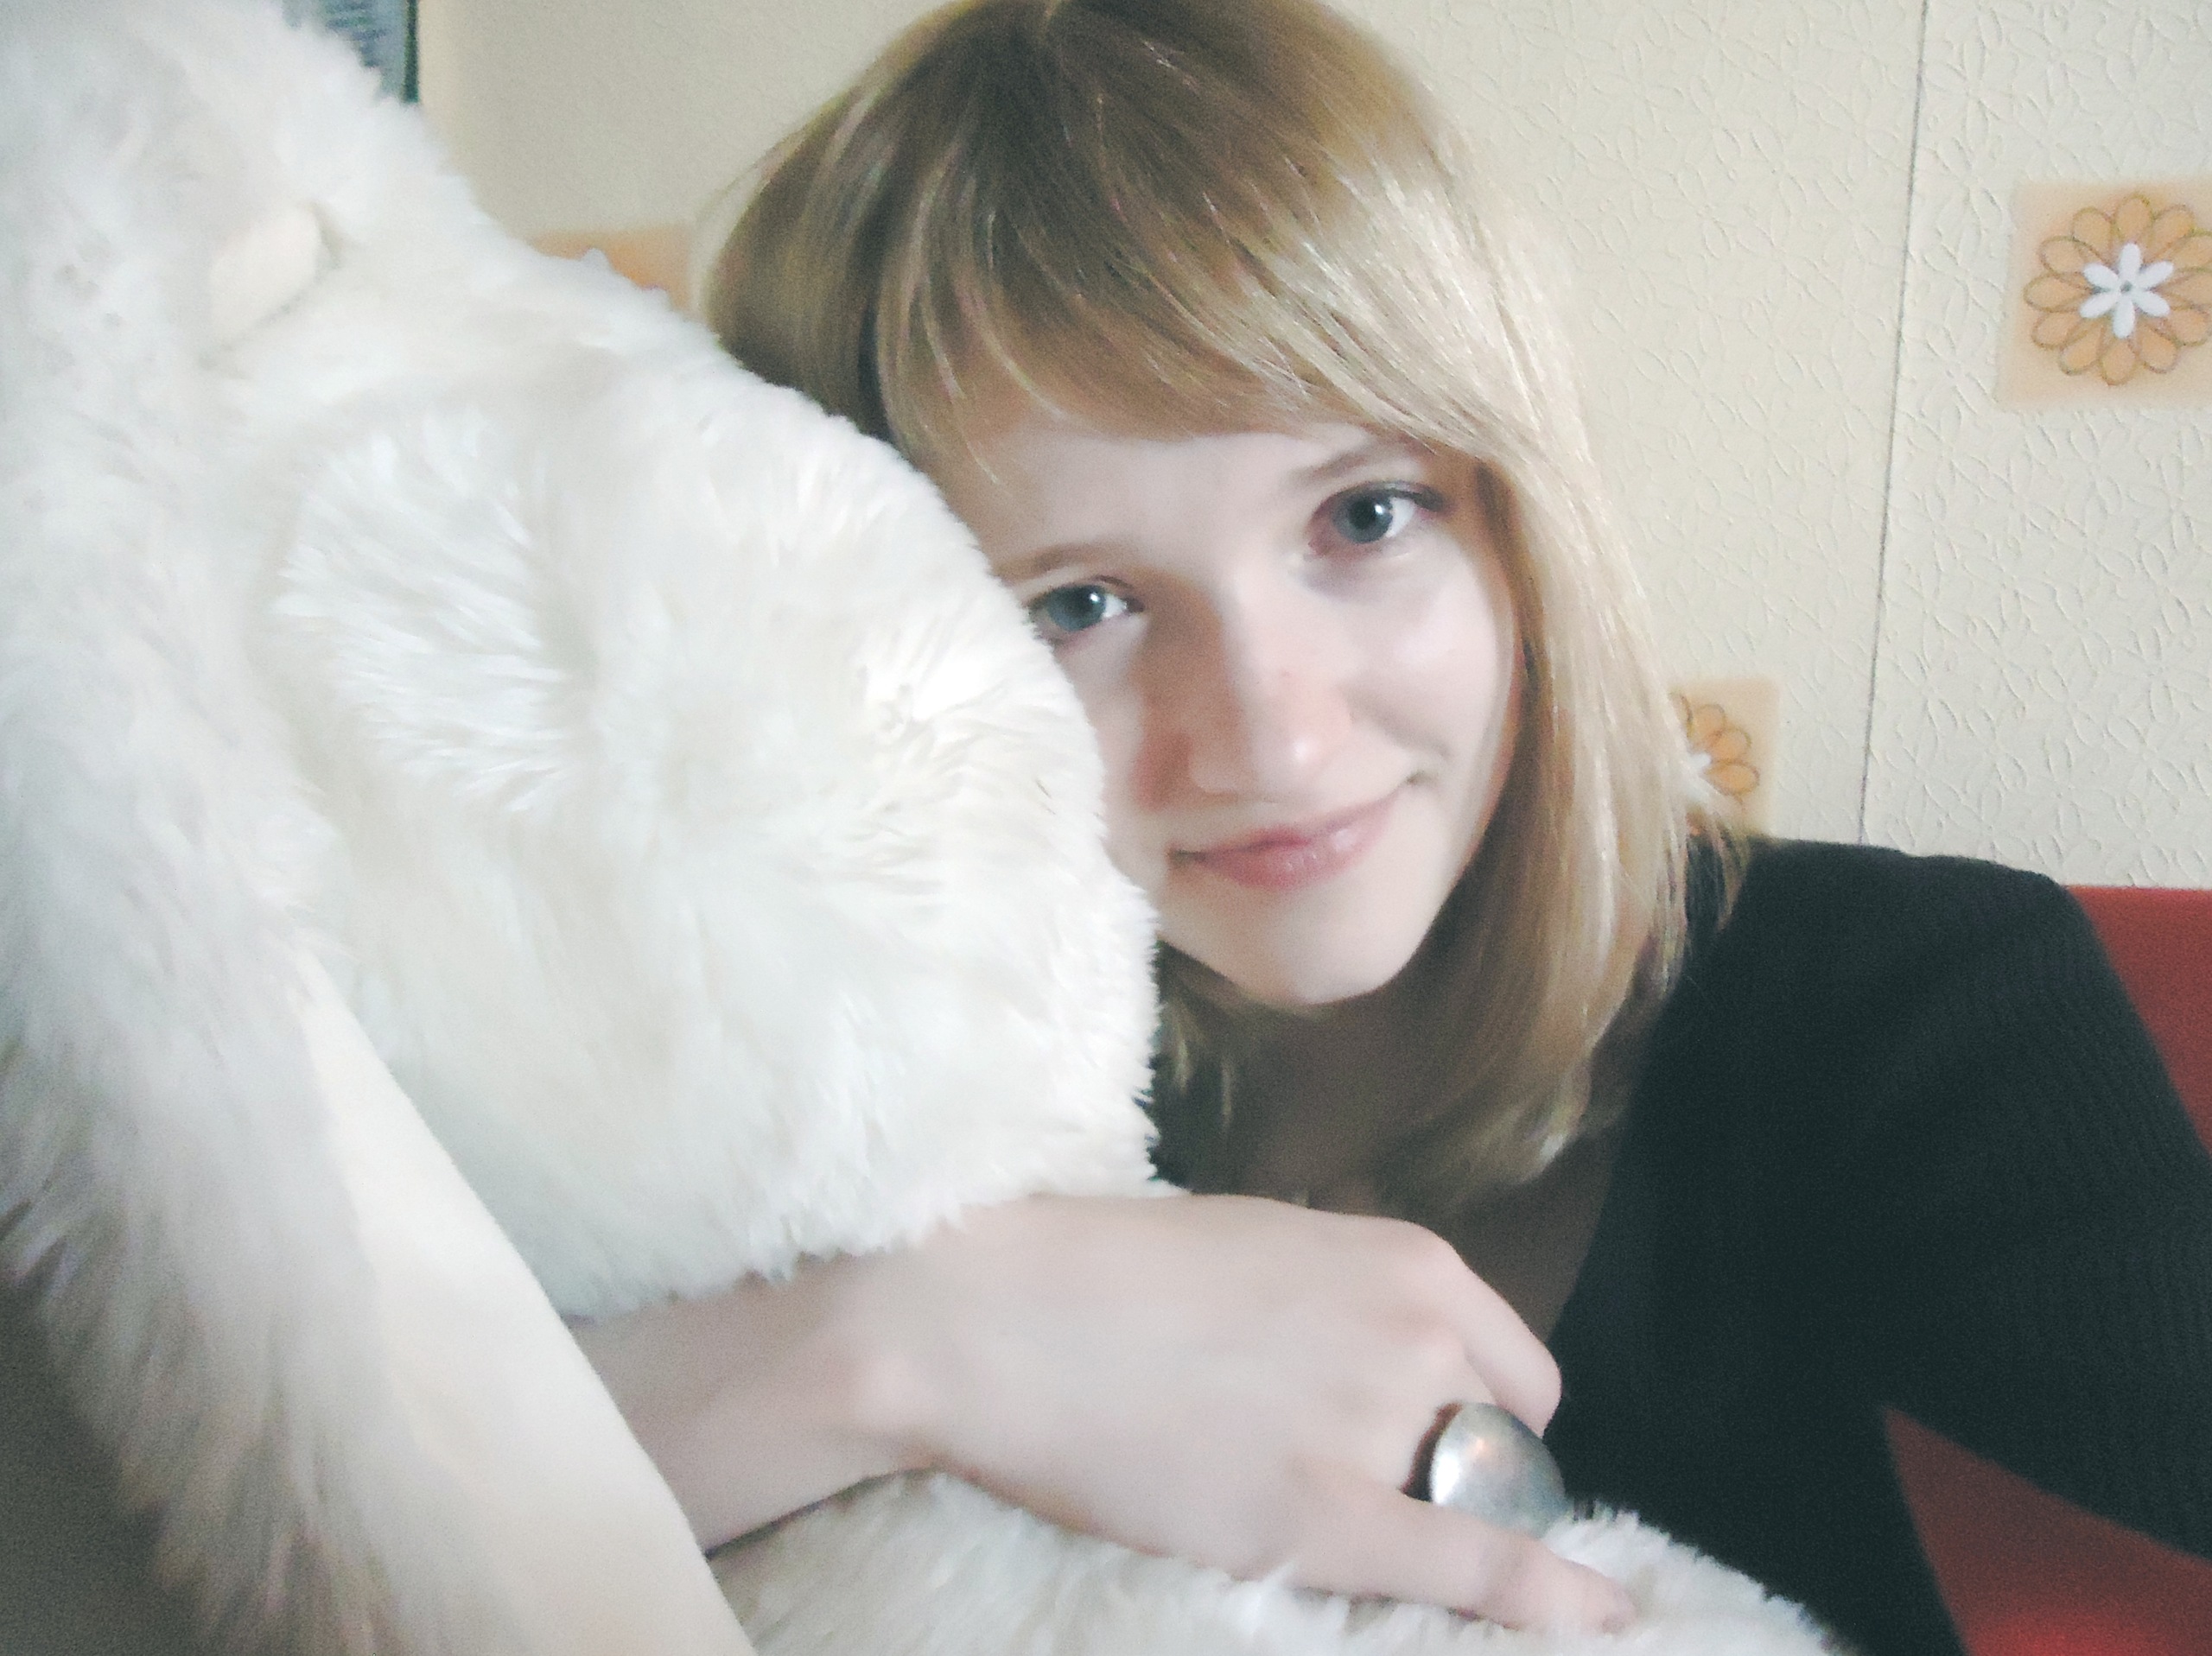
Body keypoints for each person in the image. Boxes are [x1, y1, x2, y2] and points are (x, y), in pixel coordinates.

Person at [573, 1, 2212, 1650]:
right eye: (1077, 604)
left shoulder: (1917, 1010)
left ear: (1521, 526)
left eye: (1365, 516)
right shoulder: (814, 1100)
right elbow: (409, 1542)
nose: (1274, 736)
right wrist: (896, 1347)